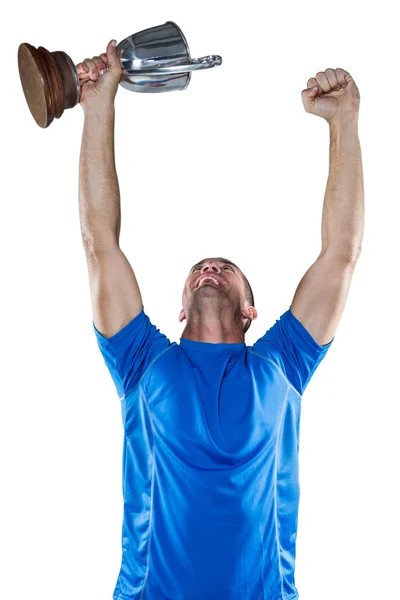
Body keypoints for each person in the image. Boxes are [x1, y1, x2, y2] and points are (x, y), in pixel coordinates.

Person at [77, 39, 364, 600]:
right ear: (181, 307)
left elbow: (341, 255)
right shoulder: (142, 362)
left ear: (250, 310)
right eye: (201, 269)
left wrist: (344, 122)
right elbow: (99, 246)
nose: (211, 267)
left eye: (226, 269)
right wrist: (98, 106)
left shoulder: (283, 363)